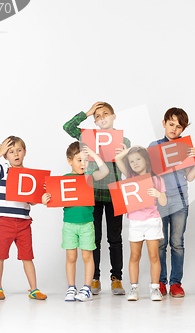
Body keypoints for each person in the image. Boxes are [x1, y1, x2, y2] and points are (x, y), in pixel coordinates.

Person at [63, 102, 131, 295]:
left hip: (115, 192)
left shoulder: (124, 140)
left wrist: (123, 155)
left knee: (115, 238)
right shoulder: (88, 138)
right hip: (92, 193)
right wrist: (88, 112)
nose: (102, 118)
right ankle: (94, 278)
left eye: (105, 114)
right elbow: (68, 127)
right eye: (98, 116)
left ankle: (116, 278)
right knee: (94, 238)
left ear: (114, 116)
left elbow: (130, 169)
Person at [0, 136, 47, 300]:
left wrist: (42, 200)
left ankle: (33, 289)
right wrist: (0, 152)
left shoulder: (30, 175)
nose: (15, 154)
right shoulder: (4, 170)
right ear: (6, 156)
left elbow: (31, 201)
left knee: (27, 256)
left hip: (24, 222)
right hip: (5, 221)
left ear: (25, 152)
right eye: (10, 152)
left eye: (18, 150)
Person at [42, 142, 109, 302]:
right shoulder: (63, 179)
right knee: (71, 257)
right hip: (69, 225)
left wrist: (93, 155)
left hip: (87, 224)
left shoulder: (89, 178)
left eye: (85, 161)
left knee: (87, 256)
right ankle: (71, 287)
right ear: (69, 160)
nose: (83, 164)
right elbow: (52, 198)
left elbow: (105, 171)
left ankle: (86, 289)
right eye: (79, 160)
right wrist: (45, 200)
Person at [148, 107, 195, 297]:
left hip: (179, 201)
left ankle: (176, 283)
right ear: (164, 123)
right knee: (160, 243)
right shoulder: (154, 145)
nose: (174, 129)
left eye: (179, 127)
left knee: (177, 243)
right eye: (171, 124)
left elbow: (191, 177)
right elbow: (147, 172)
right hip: (159, 201)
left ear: (183, 130)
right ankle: (160, 282)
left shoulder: (185, 148)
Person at [115, 146, 167, 301]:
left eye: (138, 159)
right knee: (135, 255)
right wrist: (131, 149)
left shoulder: (157, 179)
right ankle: (133, 287)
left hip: (152, 220)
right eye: (131, 161)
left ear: (146, 159)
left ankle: (155, 288)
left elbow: (163, 202)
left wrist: (158, 194)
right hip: (135, 222)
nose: (135, 163)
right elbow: (118, 159)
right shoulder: (130, 178)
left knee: (153, 255)